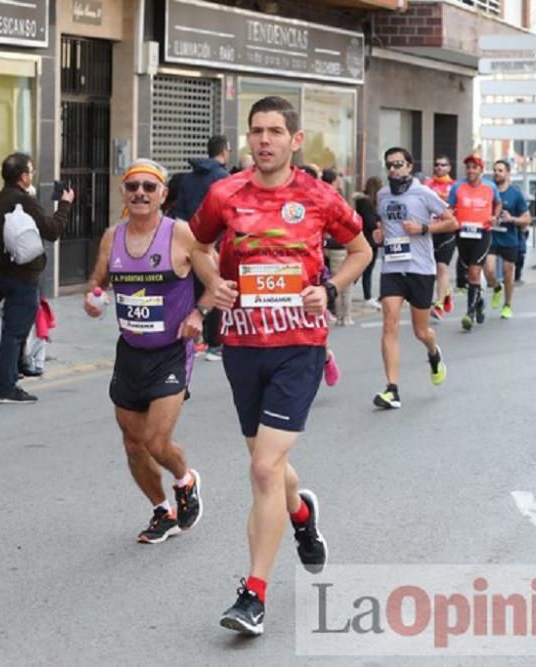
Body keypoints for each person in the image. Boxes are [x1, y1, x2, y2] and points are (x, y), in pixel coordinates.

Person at [190, 96, 372, 636]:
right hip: (243, 347)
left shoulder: (319, 197)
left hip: (299, 345)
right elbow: (197, 244)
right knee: (266, 464)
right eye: (256, 131)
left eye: (275, 131)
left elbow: (359, 249)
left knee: (264, 469)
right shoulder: (225, 194)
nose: (264, 140)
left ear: (295, 140)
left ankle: (253, 594)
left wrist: (331, 288)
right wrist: (211, 281)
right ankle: (300, 513)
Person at [83, 158, 205, 544]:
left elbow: (217, 280)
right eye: (133, 187)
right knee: (133, 444)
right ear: (123, 193)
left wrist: (199, 314)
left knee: (156, 441)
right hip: (130, 352)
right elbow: (97, 280)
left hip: (171, 351)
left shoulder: (181, 234)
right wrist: (92, 295)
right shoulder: (111, 237)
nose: (140, 193)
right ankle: (161, 510)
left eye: (149, 188)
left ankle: (185, 481)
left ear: (163, 195)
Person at [0, 153, 74, 404]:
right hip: (21, 276)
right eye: (30, 172)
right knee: (15, 330)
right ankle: (4, 386)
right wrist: (65, 204)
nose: (31, 176)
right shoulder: (24, 201)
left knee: (7, 327)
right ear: (23, 176)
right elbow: (52, 231)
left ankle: (8, 376)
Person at [370, 147, 455, 410]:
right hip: (392, 267)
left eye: (398, 164)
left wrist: (424, 228)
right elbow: (384, 223)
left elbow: (452, 222)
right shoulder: (382, 194)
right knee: (390, 324)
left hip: (420, 268)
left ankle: (433, 352)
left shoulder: (424, 193)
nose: (393, 170)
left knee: (421, 331)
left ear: (409, 166)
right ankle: (392, 389)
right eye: (389, 166)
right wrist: (380, 235)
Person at [449, 155, 502, 332]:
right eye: (468, 168)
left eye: (474, 167)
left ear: (481, 169)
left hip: (482, 234)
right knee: (468, 275)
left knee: (474, 272)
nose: (470, 171)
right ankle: (478, 302)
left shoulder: (490, 187)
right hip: (462, 234)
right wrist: (449, 218)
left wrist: (495, 216)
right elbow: (450, 207)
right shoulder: (457, 186)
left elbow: (498, 203)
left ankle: (469, 314)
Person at [484, 160, 531, 319]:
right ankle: (496, 287)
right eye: (495, 170)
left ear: (508, 173)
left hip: (509, 239)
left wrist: (512, 219)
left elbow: (526, 219)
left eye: (500, 170)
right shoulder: (488, 191)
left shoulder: (515, 194)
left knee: (508, 273)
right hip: (491, 237)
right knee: (489, 269)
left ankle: (507, 304)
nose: (497, 173)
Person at [319, 167, 354, 325]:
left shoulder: (316, 195)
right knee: (342, 281)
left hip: (322, 244)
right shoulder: (336, 198)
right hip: (338, 245)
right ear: (334, 181)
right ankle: (344, 316)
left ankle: (333, 312)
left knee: (327, 279)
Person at [169, 134, 230, 222]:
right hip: (214, 233)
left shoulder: (188, 177)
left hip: (188, 232)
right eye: (229, 150)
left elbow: (179, 212)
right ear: (224, 152)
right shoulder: (225, 178)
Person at [424, 155, 456, 319]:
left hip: (447, 232)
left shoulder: (454, 186)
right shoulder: (427, 184)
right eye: (436, 164)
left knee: (442, 267)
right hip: (430, 231)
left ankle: (438, 304)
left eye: (443, 165)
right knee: (432, 270)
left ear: (449, 168)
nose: (439, 167)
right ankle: (446, 292)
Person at [353, 176, 382, 310]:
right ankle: (367, 296)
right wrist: (379, 223)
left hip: (362, 238)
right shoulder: (368, 204)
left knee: (361, 269)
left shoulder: (361, 202)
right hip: (370, 239)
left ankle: (365, 294)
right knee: (366, 269)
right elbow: (370, 223)